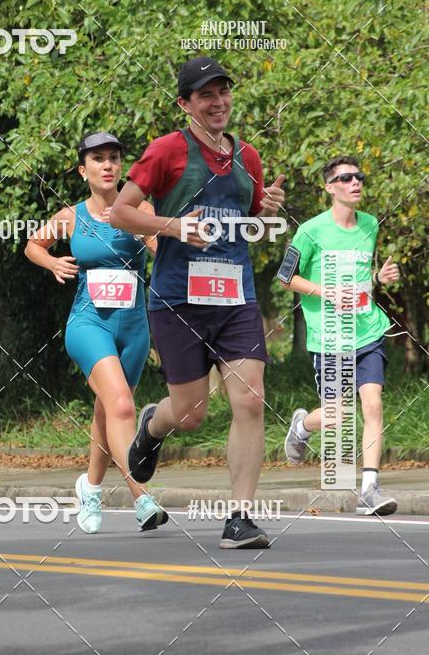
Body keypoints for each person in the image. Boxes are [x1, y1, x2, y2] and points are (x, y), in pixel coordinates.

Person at [110, 57, 285, 549]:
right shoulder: (166, 151)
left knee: (250, 400)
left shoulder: (247, 157)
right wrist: (173, 226)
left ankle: (240, 517)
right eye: (206, 95)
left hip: (235, 297)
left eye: (223, 91)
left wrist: (263, 207)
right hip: (178, 301)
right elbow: (120, 212)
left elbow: (245, 212)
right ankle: (152, 426)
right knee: (191, 414)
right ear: (186, 104)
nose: (218, 102)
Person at [24, 131, 167, 533]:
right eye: (98, 159)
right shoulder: (71, 216)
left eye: (114, 158)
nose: (107, 165)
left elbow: (166, 250)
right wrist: (52, 263)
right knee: (122, 405)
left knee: (108, 410)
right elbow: (33, 245)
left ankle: (89, 487)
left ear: (121, 167)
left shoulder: (141, 208)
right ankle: (140, 497)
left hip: (135, 328)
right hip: (89, 323)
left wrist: (147, 234)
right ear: (83, 169)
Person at [281, 155, 400, 515]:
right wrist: (325, 291)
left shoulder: (369, 225)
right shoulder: (311, 231)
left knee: (373, 405)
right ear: (329, 187)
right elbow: (286, 277)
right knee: (337, 417)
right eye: (346, 178)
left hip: (368, 331)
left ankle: (368, 489)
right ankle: (302, 425)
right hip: (329, 337)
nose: (356, 183)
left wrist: (378, 279)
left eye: (359, 177)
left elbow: (359, 276)